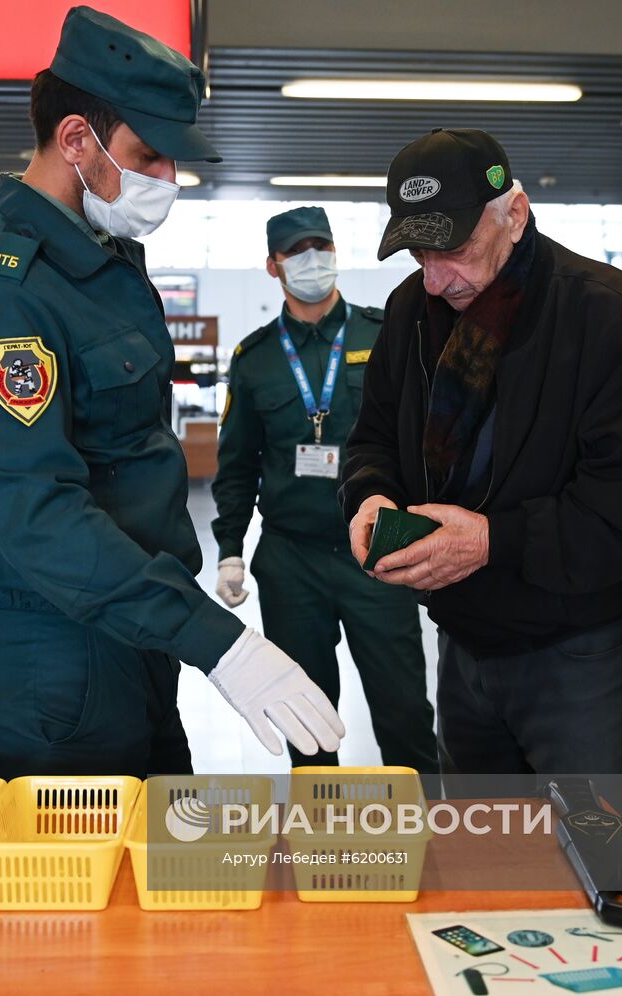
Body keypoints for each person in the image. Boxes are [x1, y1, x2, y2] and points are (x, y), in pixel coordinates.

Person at [0, 6, 344, 780]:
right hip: (55, 659)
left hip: (131, 635)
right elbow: (37, 516)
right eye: (149, 156)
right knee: (71, 899)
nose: (168, 181)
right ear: (76, 139)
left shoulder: (105, 266)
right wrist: (219, 643)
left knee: (161, 882)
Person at [340, 128, 622, 787]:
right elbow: (372, 436)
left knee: (614, 864)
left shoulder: (607, 317)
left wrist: (491, 541)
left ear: (513, 215)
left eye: (454, 249)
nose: (435, 279)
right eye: (417, 254)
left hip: (585, 656)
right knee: (481, 862)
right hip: (464, 646)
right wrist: (369, 496)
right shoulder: (411, 312)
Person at [212, 206, 437, 772]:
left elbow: (422, 437)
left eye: (321, 248)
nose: (313, 261)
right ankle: (323, 842)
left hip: (379, 553)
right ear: (273, 266)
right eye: (296, 252)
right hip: (291, 560)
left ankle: (432, 839)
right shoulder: (255, 358)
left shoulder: (384, 335)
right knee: (307, 720)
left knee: (405, 711)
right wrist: (231, 551)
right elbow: (237, 462)